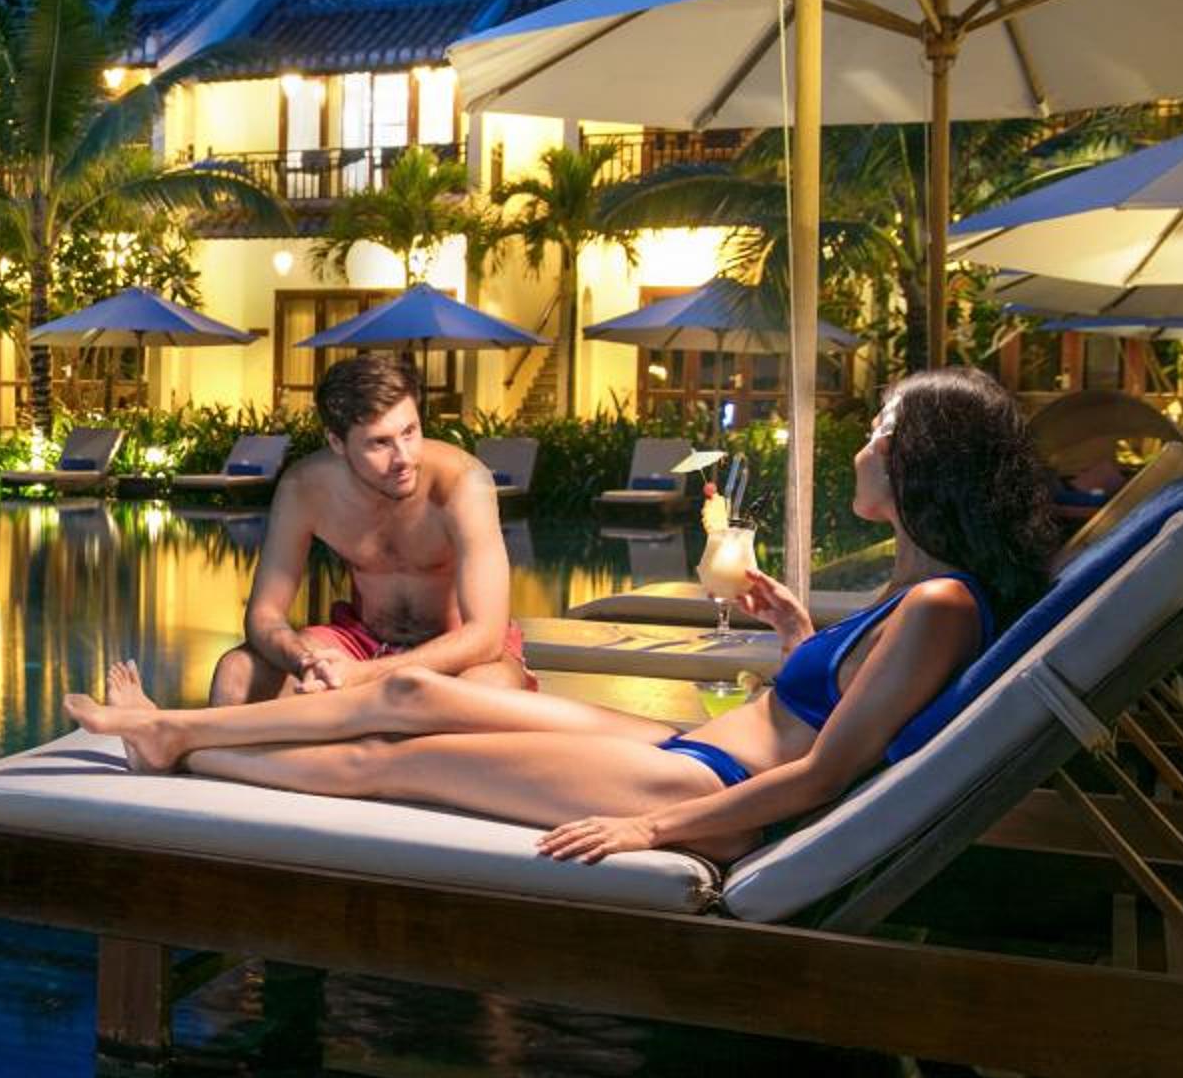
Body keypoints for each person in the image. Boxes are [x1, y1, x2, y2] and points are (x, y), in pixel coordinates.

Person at [71, 367, 1057, 865]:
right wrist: (801, 643)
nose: (862, 448)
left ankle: (181, 748)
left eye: (880, 433)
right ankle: (178, 726)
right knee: (410, 693)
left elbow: (825, 775)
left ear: (923, 465)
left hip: (700, 786)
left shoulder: (938, 603)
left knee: (396, 761)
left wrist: (650, 827)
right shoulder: (921, 590)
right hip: (693, 747)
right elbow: (833, 715)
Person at [206, 354, 528, 705]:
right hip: (362, 642)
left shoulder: (463, 482)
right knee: (236, 674)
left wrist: (363, 675)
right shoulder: (305, 489)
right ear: (337, 442)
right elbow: (264, 615)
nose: (404, 458)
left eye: (410, 432)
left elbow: (486, 636)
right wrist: (307, 661)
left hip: (458, 651)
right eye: (380, 443)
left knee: (485, 690)